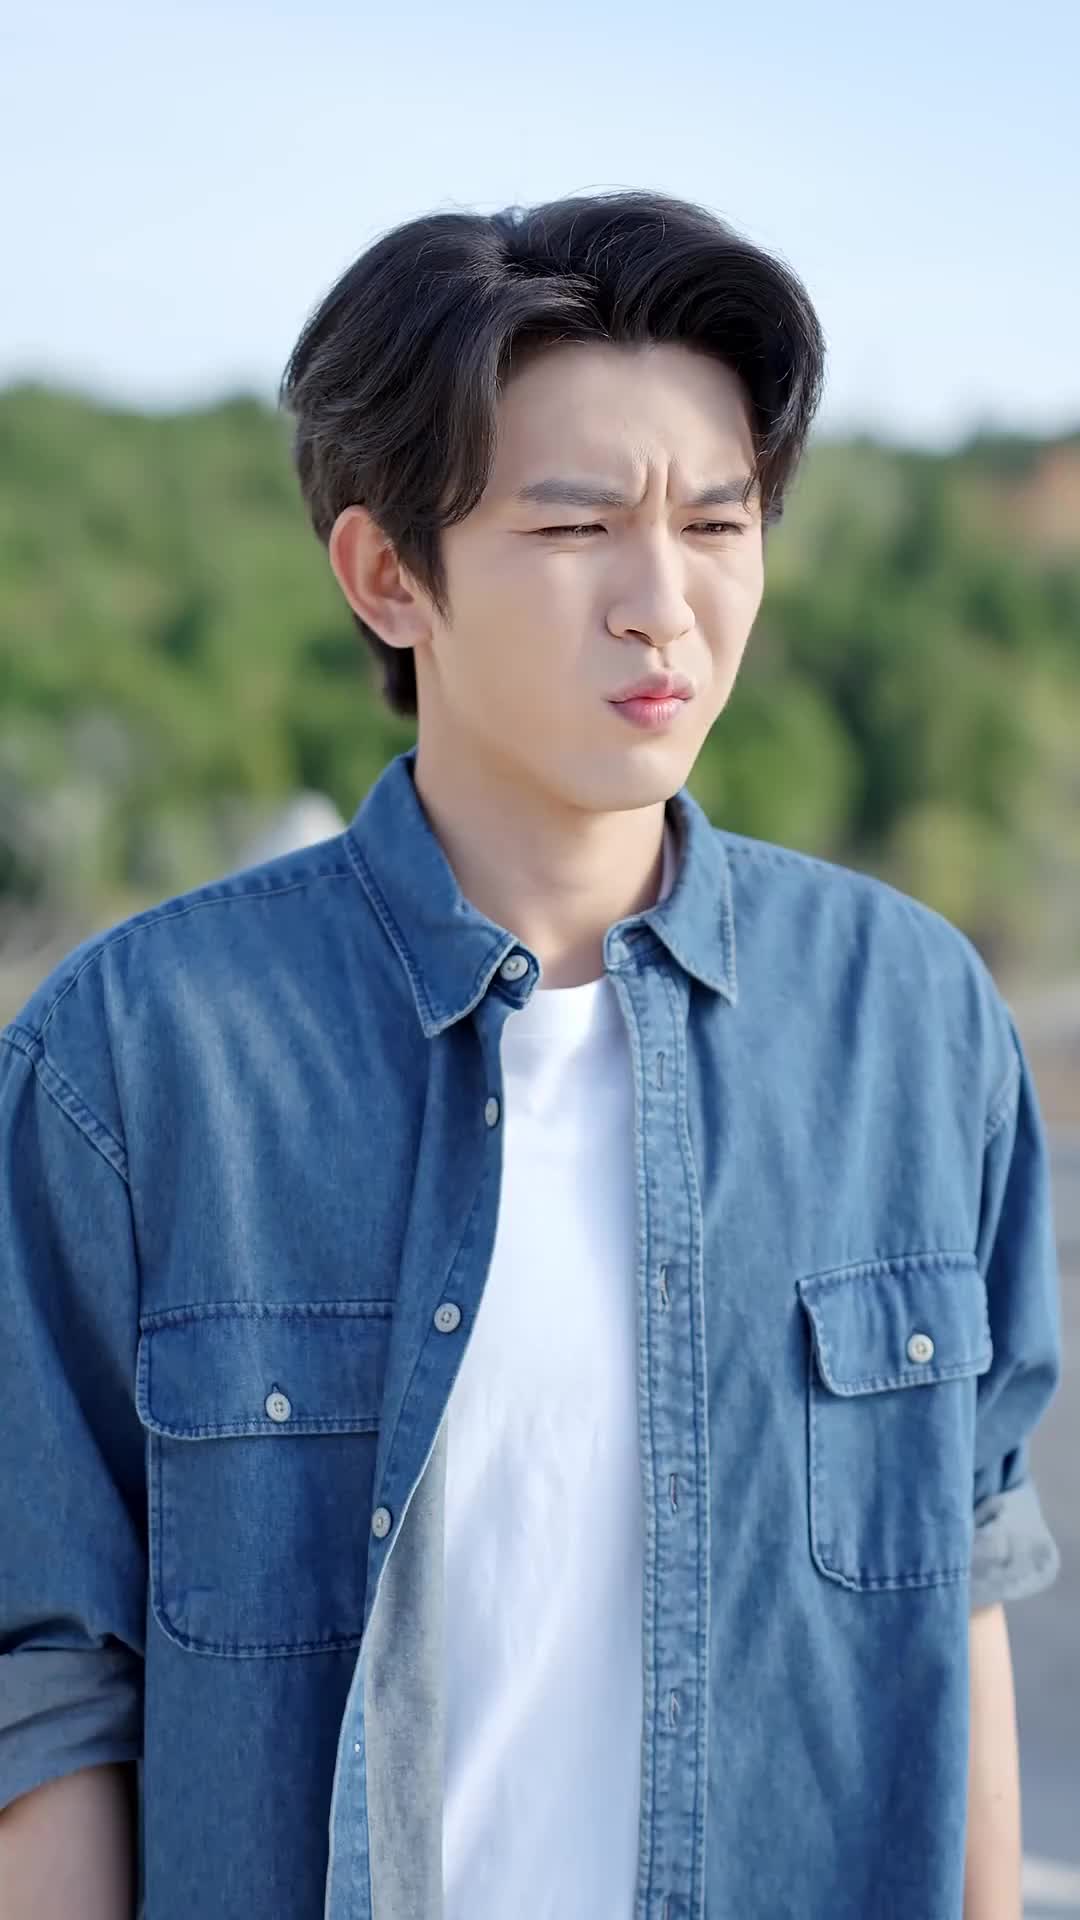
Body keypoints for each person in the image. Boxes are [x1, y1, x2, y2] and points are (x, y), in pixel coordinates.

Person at [0, 189, 1062, 1920]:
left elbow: (968, 1581)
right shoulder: (134, 1062)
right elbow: (46, 1690)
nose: (665, 605)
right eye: (577, 527)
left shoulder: (914, 1024)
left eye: (717, 522)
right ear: (386, 575)